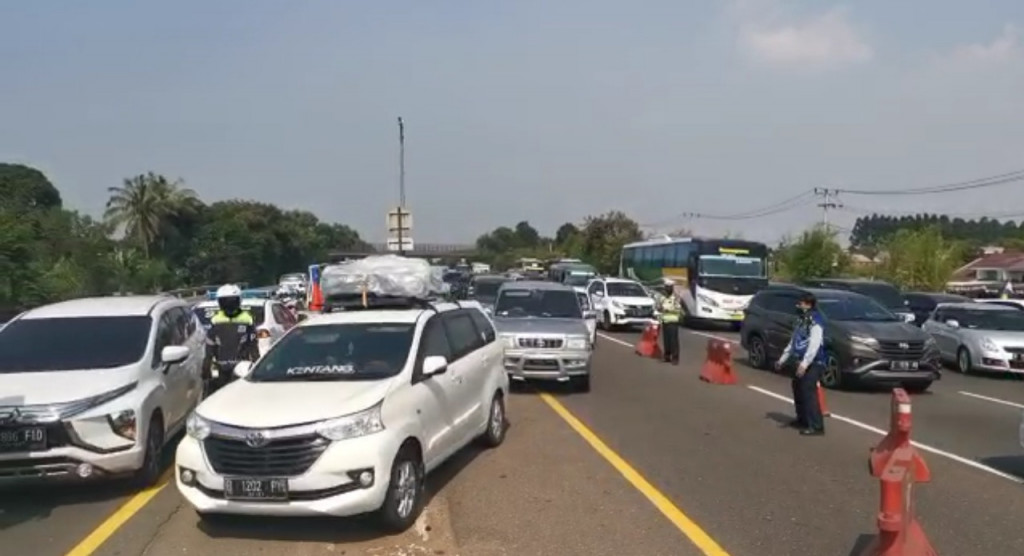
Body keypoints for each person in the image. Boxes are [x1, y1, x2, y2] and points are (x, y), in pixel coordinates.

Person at [775, 293, 826, 436]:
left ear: (808, 305)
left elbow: (814, 345)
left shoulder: (815, 321)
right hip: (800, 359)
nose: (798, 306)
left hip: (815, 361)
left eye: (801, 304)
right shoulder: (801, 320)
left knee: (808, 390)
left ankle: (816, 426)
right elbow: (793, 343)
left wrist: (805, 364)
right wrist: (782, 360)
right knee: (797, 387)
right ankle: (802, 419)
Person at [203, 284, 259, 390]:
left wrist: (257, 365)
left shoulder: (247, 319)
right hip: (221, 366)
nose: (229, 305)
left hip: (242, 366)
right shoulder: (215, 320)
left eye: (232, 302)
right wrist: (206, 367)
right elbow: (210, 345)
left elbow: (253, 344)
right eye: (225, 302)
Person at [658, 279, 681, 364]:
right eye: (666, 287)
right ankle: (667, 356)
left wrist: (667, 309)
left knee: (673, 341)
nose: (667, 289)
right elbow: (660, 307)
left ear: (672, 288)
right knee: (666, 341)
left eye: (669, 287)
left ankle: (675, 358)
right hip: (665, 321)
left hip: (673, 321)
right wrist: (660, 309)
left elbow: (677, 308)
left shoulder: (675, 298)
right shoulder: (662, 298)